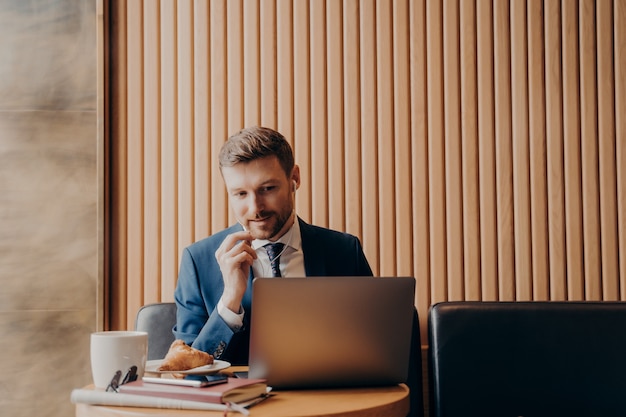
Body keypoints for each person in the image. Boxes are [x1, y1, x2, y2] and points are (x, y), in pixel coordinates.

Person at [173, 126, 373, 364]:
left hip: (326, 399)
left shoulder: (344, 251)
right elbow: (187, 375)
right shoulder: (197, 262)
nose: (255, 208)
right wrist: (229, 301)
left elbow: (371, 350)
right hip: (236, 401)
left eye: (267, 189)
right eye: (240, 194)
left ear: (294, 179)